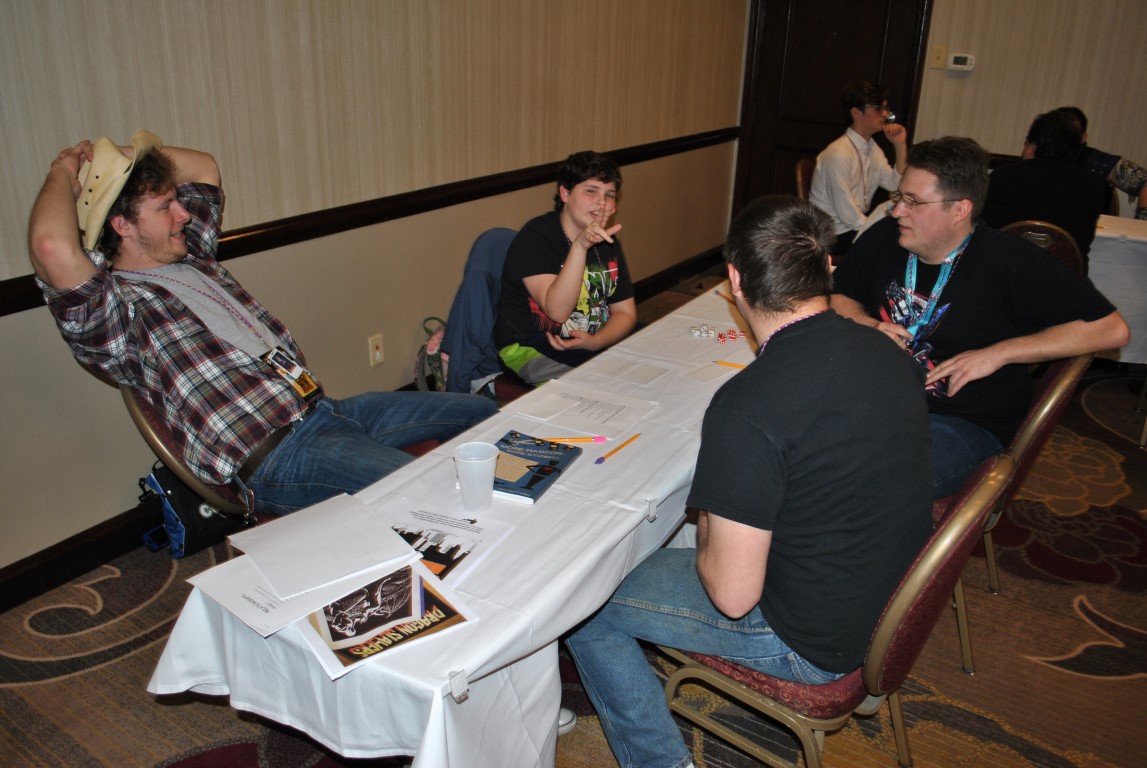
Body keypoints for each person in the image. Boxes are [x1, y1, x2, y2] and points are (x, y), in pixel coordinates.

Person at [566, 196, 934, 768]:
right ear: (827, 267)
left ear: (734, 281)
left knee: (583, 605)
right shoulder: (886, 350)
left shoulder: (747, 406)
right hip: (887, 596)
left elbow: (732, 596)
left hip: (810, 640)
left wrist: (708, 524)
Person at [28, 130, 497, 516]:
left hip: (323, 412)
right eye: (165, 206)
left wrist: (115, 162)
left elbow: (204, 166)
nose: (183, 213)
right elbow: (52, 247)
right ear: (122, 225)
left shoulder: (193, 257)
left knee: (482, 416)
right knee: (433, 494)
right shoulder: (117, 312)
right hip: (279, 458)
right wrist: (66, 170)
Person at [831, 137, 1129, 499]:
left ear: (960, 209)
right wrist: (869, 325)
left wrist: (998, 353)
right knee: (794, 445)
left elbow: (1112, 329)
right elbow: (840, 296)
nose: (897, 211)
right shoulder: (885, 237)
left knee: (868, 484)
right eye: (899, 197)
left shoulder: (1008, 261)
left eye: (913, 202)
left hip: (961, 421)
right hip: (878, 399)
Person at [494, 151, 636, 384]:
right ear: (565, 193)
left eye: (609, 195)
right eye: (591, 191)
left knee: (654, 360)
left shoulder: (608, 243)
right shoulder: (536, 237)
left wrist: (597, 341)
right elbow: (557, 312)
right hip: (532, 346)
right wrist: (580, 246)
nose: (602, 202)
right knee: (605, 386)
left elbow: (625, 313)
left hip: (590, 343)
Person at [982, 110, 1107, 265]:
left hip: (1002, 272)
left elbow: (984, 233)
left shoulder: (1002, 177)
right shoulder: (1092, 186)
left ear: (1032, 146)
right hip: (1064, 276)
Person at [809, 80, 908, 255]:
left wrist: (900, 145)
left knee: (899, 239)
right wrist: (874, 231)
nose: (885, 114)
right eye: (878, 109)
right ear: (856, 112)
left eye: (886, 108)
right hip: (830, 235)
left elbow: (895, 185)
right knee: (891, 245)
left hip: (851, 229)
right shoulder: (838, 153)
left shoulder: (872, 149)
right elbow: (846, 213)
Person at [1054, 105, 1147, 221]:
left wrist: (1142, 222)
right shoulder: (1041, 159)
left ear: (1083, 137)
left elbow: (1144, 181)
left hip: (1094, 229)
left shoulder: (1098, 161)